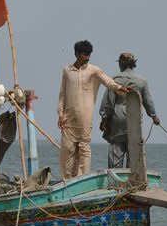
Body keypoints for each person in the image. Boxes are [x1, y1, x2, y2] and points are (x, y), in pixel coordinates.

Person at [57, 40, 130, 179]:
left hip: (85, 117)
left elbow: (107, 81)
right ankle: (67, 180)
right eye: (84, 54)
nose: (87, 57)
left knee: (84, 148)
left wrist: (119, 88)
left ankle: (82, 178)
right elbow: (62, 94)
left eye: (89, 54)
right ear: (77, 54)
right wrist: (60, 114)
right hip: (68, 117)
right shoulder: (67, 70)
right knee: (67, 150)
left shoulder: (93, 70)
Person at [99, 52, 160, 168]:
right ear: (133, 64)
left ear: (121, 64)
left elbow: (108, 103)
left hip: (117, 121)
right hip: (134, 121)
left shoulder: (115, 80)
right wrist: (154, 117)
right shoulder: (142, 81)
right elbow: (148, 102)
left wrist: (104, 120)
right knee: (134, 154)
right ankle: (133, 181)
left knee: (115, 154)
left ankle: (116, 182)